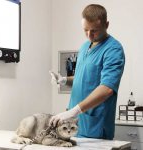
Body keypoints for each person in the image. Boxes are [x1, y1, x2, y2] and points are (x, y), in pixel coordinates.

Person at [49, 4, 125, 140]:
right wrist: (65, 80)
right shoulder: (85, 47)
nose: (89, 35)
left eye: (94, 31)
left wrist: (76, 110)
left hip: (94, 125)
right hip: (73, 124)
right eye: (85, 30)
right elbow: (85, 78)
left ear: (106, 25)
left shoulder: (113, 50)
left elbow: (107, 88)